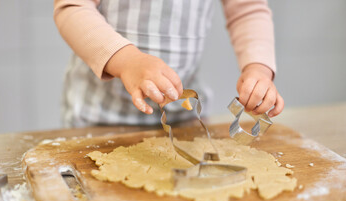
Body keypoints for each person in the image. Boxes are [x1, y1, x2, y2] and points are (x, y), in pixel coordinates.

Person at [54, 0, 284, 127]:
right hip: (101, 119)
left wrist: (258, 68)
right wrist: (127, 61)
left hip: (184, 120)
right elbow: (73, 6)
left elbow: (248, 9)